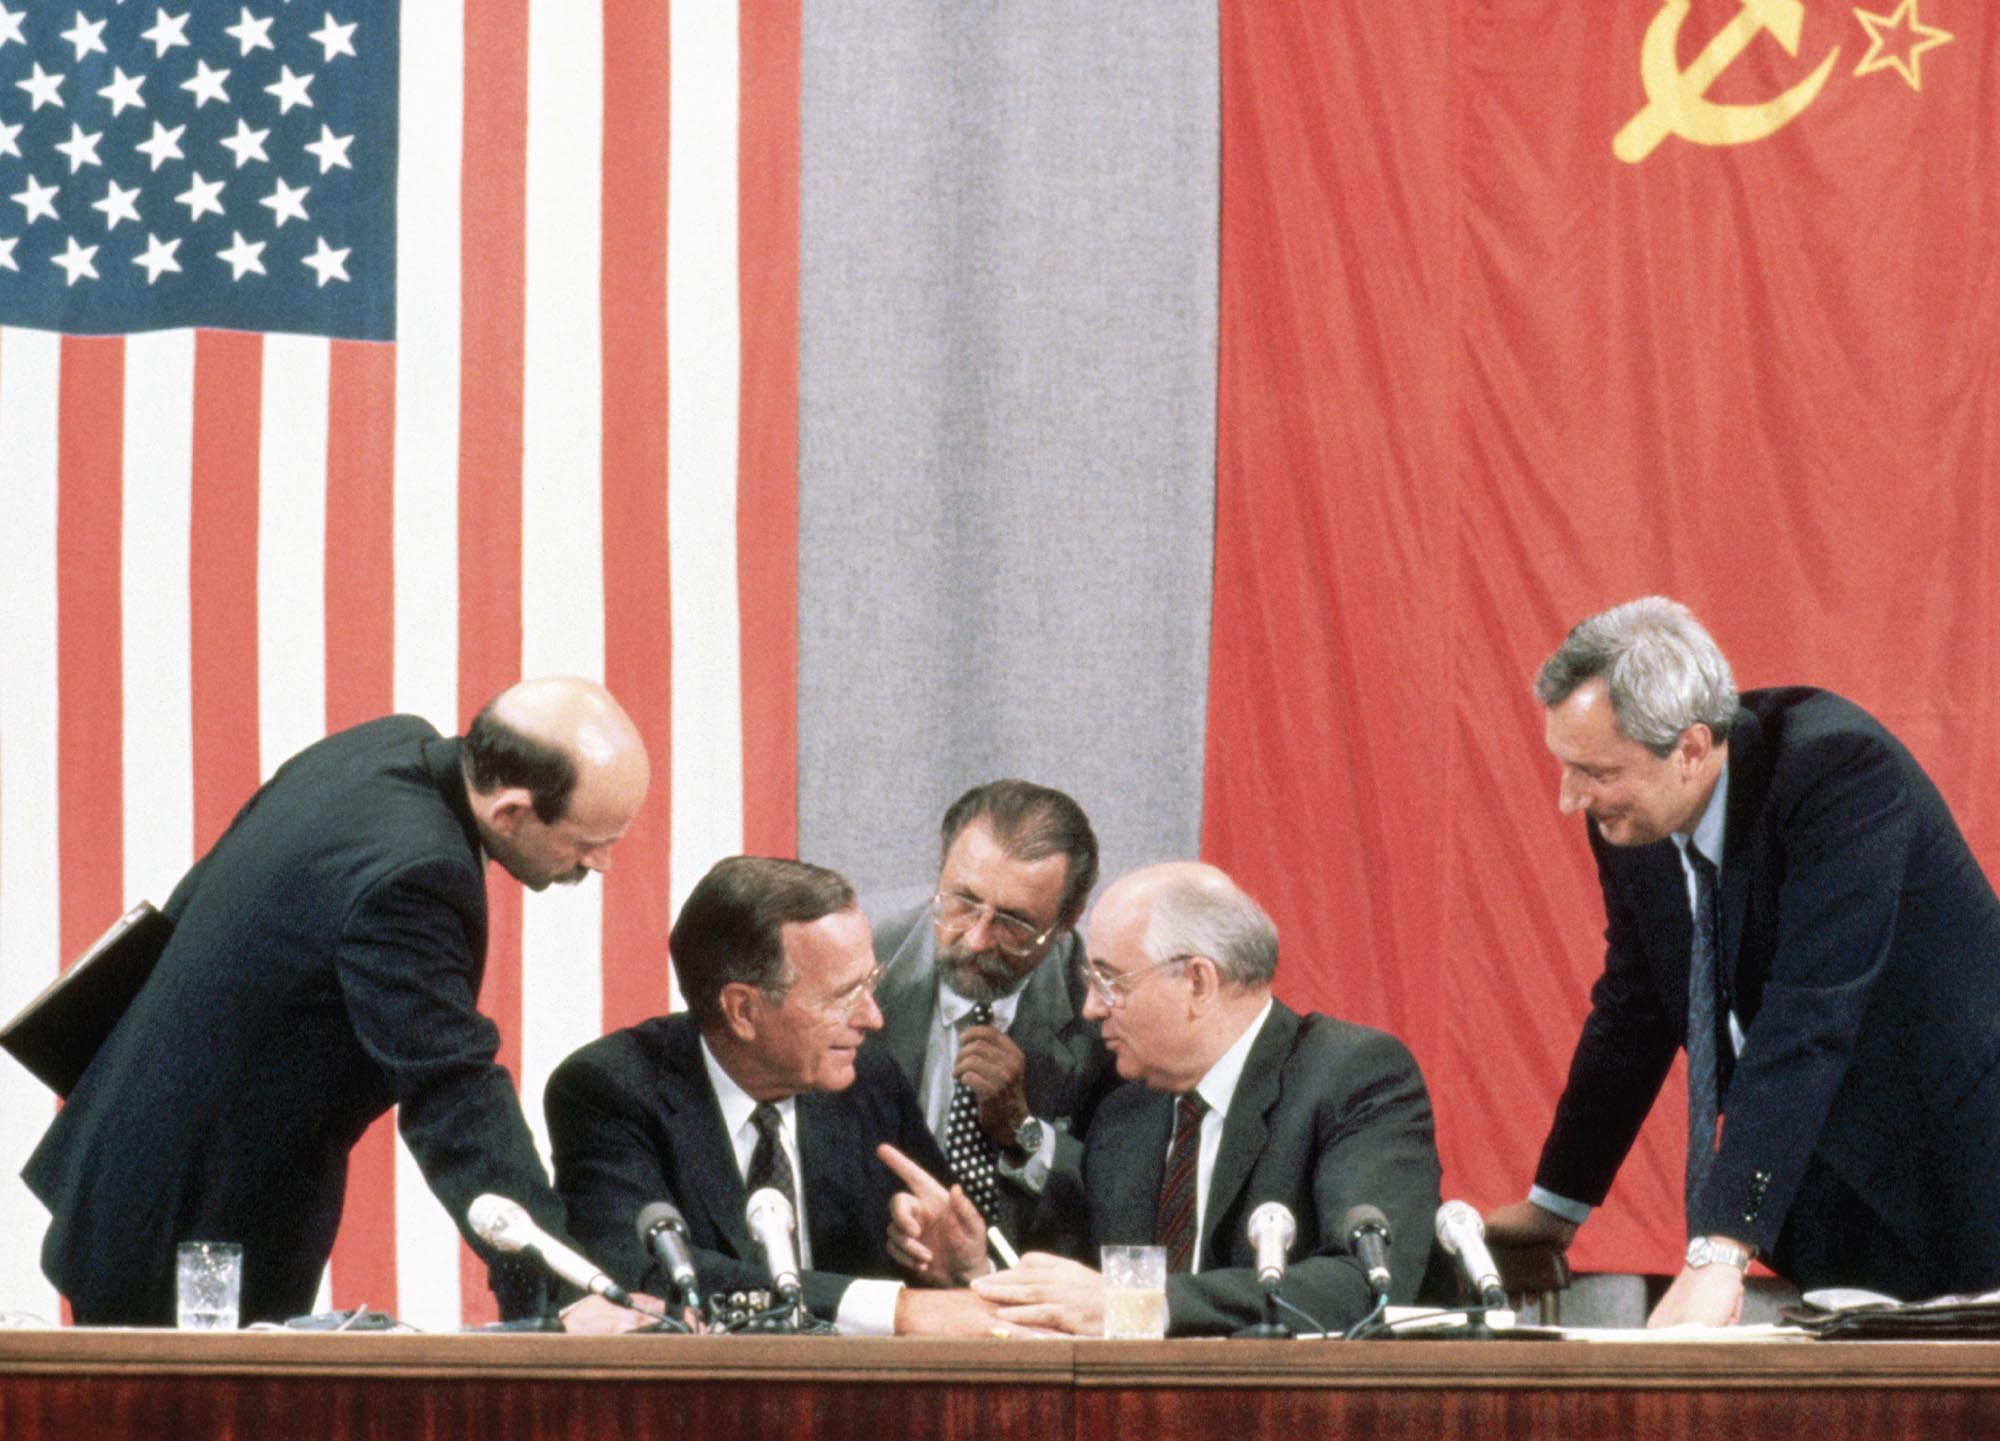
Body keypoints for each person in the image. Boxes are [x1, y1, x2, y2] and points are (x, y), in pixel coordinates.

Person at [23, 677, 654, 1330]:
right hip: (187, 1224)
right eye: (591, 840)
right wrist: (568, 1293)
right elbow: (455, 1098)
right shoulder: (415, 876)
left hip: (127, 1163)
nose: (603, 863)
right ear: (511, 812)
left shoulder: (381, 747)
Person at [1486, 597, 2000, 1326]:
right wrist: (1556, 1205)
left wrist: (1720, 1251)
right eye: (1568, 767)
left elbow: (1809, 1015)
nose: (1571, 799)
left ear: (1692, 749)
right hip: (1832, 1198)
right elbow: (1634, 1010)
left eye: (1595, 771)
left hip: (1968, 1172)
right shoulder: (1635, 814)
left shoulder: (1839, 772)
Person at [885, 861, 1442, 1336]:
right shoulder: (1126, 1116)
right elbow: (1084, 1293)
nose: (1091, 1009)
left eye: (1110, 982)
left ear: (1198, 983)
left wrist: (1139, 1304)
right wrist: (976, 1270)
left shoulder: (1353, 1077)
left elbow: (1366, 1284)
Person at [543, 855, 1015, 1335]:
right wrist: (893, 1307)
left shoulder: (869, 1079)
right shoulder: (608, 1090)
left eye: (870, 984)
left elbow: (948, 1275)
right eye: (843, 996)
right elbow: (640, 1277)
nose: (872, 1018)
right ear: (743, 1011)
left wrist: (964, 1270)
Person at [864, 780, 1115, 1246]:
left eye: (1013, 922)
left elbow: (1123, 1194)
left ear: (1065, 922)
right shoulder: (860, 967)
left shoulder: (1101, 1014)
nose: (977, 939)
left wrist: (1023, 1130)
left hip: (1027, 1276)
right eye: (963, 902)